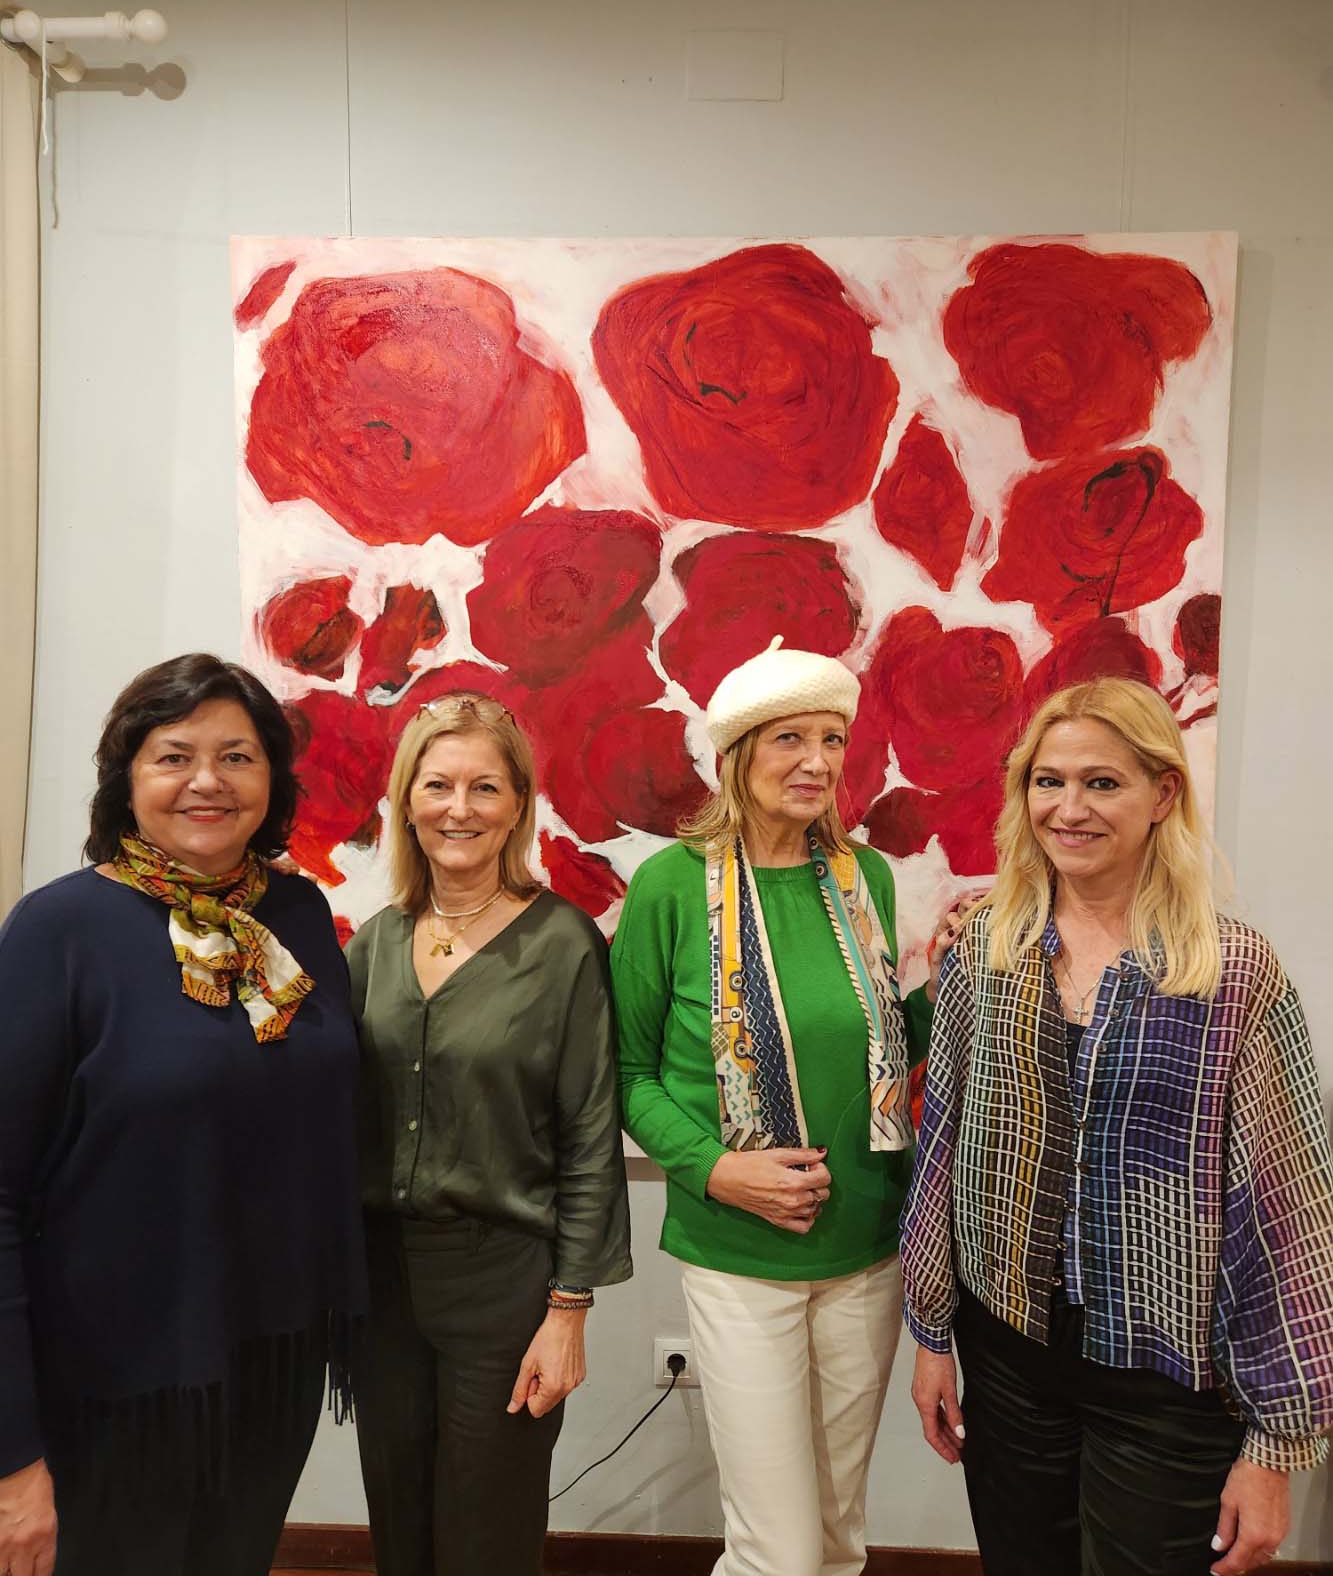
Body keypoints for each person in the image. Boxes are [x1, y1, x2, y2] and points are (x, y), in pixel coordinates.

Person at [901, 677, 1333, 1576]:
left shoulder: (1230, 972)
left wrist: (1275, 1442)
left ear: (1161, 793)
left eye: (1101, 783)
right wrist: (933, 1336)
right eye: (1047, 781)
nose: (1068, 809)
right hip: (1008, 1354)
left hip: (1167, 1374)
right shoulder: (987, 951)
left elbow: (1287, 1212)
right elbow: (943, 1152)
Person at [0, 653, 366, 1576]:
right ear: (126, 778)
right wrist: (11, 1457)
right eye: (174, 756)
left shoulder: (297, 913)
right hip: (113, 1378)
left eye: (237, 756)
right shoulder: (58, 931)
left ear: (272, 779)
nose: (208, 780)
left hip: (270, 1358)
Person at [614, 638, 953, 1576]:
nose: (816, 762)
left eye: (832, 739)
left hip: (867, 1246)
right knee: (776, 1549)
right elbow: (626, 1071)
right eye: (789, 739)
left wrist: (947, 982)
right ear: (736, 754)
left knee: (838, 1537)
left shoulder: (861, 879)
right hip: (740, 1253)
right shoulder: (669, 887)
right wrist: (717, 1169)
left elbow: (885, 1040)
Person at [347, 692, 631, 1576]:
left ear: (517, 806)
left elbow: (589, 1134)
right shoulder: (374, 944)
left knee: (487, 1538)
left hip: (503, 1286)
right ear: (407, 801)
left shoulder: (562, 945)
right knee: (399, 1526)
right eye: (437, 785)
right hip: (381, 1284)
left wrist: (568, 1312)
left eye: (484, 788)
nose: (458, 808)